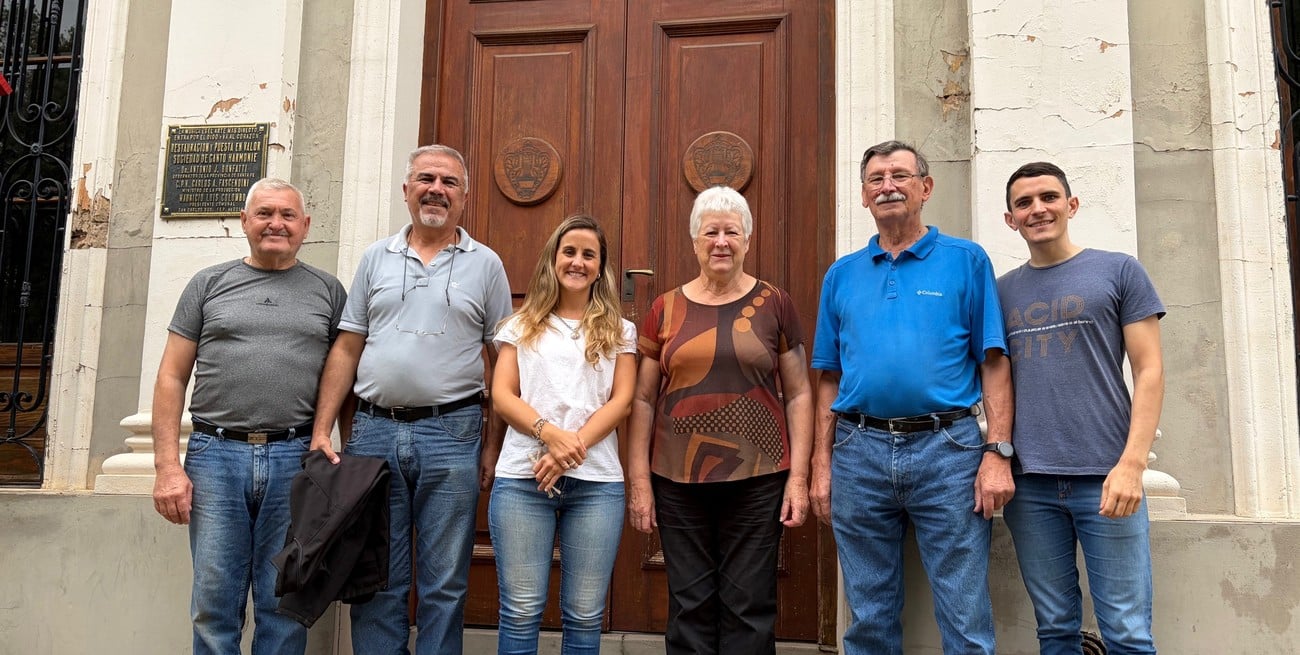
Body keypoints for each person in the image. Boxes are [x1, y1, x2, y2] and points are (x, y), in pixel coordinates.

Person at [809, 140, 1015, 655]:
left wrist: (998, 453)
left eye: (900, 175)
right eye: (876, 179)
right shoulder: (842, 275)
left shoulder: (966, 261)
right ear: (863, 196)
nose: (888, 186)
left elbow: (993, 363)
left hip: (949, 450)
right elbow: (828, 378)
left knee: (964, 612)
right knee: (868, 615)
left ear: (925, 188)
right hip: (858, 450)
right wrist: (821, 463)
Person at [310, 144, 513, 655]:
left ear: (464, 196)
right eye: (426, 179)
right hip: (373, 432)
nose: (436, 190)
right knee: (376, 573)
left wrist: (493, 447)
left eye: (448, 182)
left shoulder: (486, 265)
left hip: (453, 432)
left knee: (444, 579)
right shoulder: (375, 257)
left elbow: (501, 360)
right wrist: (324, 429)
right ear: (406, 190)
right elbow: (348, 345)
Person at [151, 178, 347, 655]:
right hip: (215, 456)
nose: (275, 223)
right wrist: (167, 467)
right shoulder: (208, 284)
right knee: (214, 601)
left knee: (284, 599)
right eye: (264, 213)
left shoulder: (328, 291)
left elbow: (345, 377)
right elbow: (171, 377)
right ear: (244, 222)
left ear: (305, 226)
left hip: (294, 459)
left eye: (286, 215)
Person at [627, 185, 813, 655]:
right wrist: (640, 483)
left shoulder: (776, 303)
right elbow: (643, 400)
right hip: (676, 478)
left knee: (749, 606)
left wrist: (799, 478)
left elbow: (799, 393)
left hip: (759, 477)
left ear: (748, 239)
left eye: (732, 231)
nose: (721, 242)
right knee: (689, 605)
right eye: (711, 232)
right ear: (694, 242)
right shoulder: (664, 309)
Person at [997, 162, 1165, 654]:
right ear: (1011, 219)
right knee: (1055, 630)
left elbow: (1149, 370)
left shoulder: (1118, 270)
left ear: (1071, 205)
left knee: (1128, 633)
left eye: (1049, 197)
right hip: (1030, 483)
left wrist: (1132, 465)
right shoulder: (1002, 290)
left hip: (1106, 476)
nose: (1038, 209)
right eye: (1024, 203)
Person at [488, 215, 636, 655]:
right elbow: (501, 395)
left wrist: (570, 450)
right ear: (553, 259)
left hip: (597, 484)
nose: (577, 261)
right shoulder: (521, 324)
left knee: (586, 614)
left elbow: (621, 401)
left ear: (600, 266)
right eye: (569, 252)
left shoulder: (620, 331)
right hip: (522, 479)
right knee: (520, 608)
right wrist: (550, 435)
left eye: (588, 254)